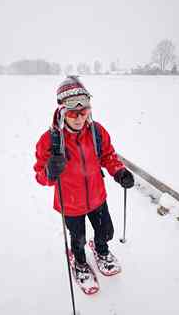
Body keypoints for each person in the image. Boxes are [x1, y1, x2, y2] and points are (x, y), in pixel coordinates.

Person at [34, 76, 134, 280]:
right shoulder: (50, 141)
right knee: (78, 239)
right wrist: (50, 172)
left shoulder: (97, 131)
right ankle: (79, 262)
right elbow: (40, 176)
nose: (79, 119)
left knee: (105, 232)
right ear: (62, 111)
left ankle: (101, 250)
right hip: (70, 204)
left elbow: (108, 155)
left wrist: (119, 171)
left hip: (98, 197)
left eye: (84, 111)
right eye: (73, 113)